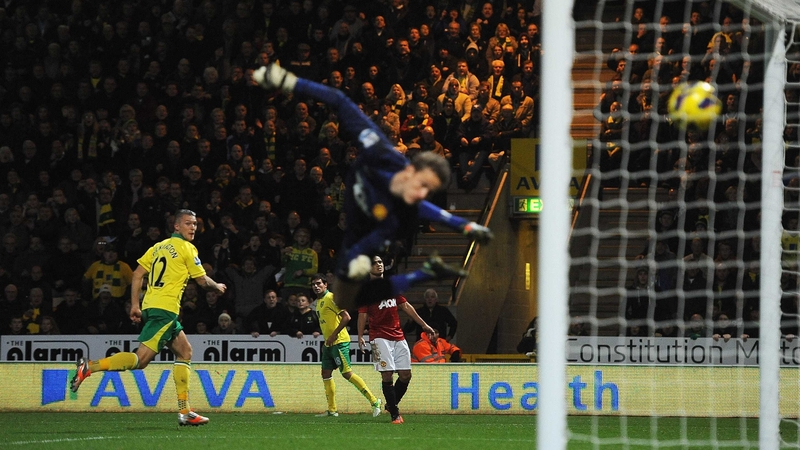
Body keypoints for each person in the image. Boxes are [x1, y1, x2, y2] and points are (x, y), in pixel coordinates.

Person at [253, 63, 493, 312]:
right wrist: (290, 81)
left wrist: (464, 225)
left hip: (365, 221)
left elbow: (427, 209)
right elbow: (338, 98)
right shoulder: (377, 146)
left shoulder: (398, 209)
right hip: (357, 201)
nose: (421, 193)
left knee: (355, 284)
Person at [70, 209, 227, 427]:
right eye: (188, 223)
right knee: (140, 360)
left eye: (195, 224)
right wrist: (217, 286)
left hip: (153, 306)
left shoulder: (158, 247)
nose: (193, 227)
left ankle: (185, 411)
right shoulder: (187, 248)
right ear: (176, 226)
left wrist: (135, 305)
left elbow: (137, 274)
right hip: (165, 310)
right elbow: (201, 281)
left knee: (185, 352)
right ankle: (89, 367)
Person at [356, 255, 434, 424]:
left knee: (406, 375)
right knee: (387, 375)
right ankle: (395, 414)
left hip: (398, 335)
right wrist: (360, 335)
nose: (378, 265)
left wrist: (424, 325)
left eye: (380, 262)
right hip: (379, 337)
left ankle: (391, 404)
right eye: (374, 263)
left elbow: (405, 306)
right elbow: (362, 315)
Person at [311, 273, 382, 418]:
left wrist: (334, 335)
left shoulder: (331, 298)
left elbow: (346, 317)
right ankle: (332, 410)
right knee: (325, 373)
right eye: (313, 284)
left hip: (339, 342)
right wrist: (327, 340)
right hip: (329, 344)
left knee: (346, 373)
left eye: (319, 283)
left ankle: (375, 401)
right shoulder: (319, 302)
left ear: (325, 284)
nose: (316, 286)